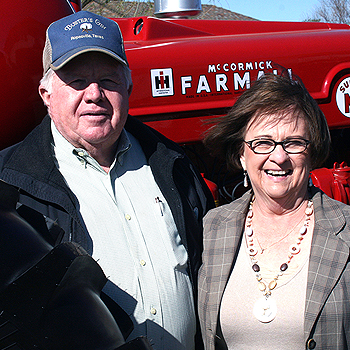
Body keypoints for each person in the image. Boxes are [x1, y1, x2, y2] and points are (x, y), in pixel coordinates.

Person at [0, 10, 214, 350]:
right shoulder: (10, 185)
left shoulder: (174, 165)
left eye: (109, 80)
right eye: (77, 80)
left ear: (128, 85)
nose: (94, 94)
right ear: (46, 93)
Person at [198, 73, 350, 350]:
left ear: (311, 152)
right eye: (263, 143)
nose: (278, 157)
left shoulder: (347, 231)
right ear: (243, 155)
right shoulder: (213, 228)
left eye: (293, 143)